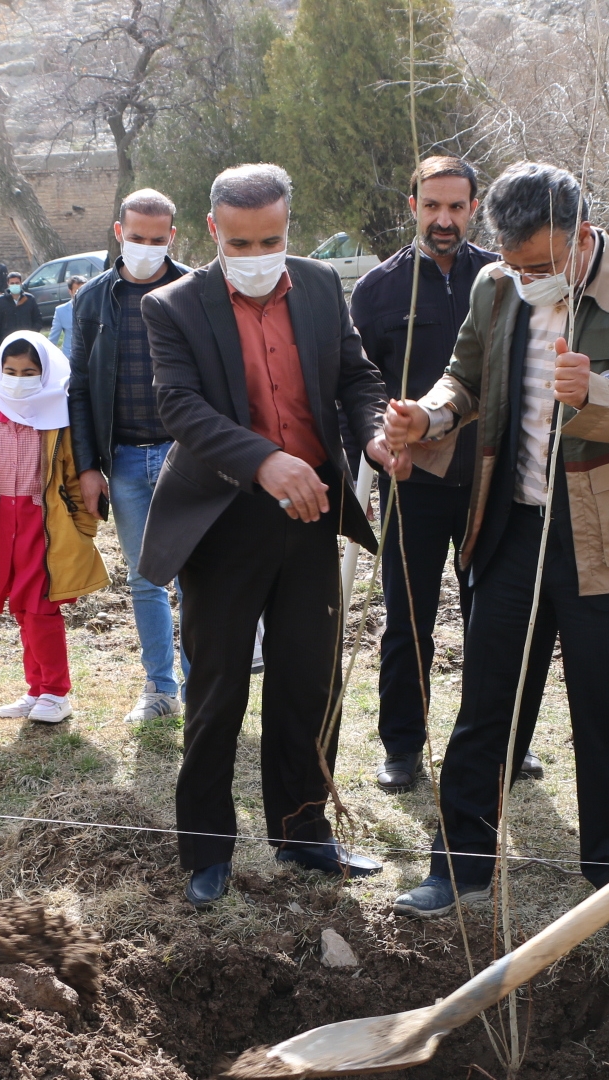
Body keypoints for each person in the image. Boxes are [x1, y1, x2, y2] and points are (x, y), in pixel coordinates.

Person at [382, 162, 609, 938]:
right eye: (514, 265)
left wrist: (597, 396)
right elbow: (463, 379)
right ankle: (458, 866)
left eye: (542, 267)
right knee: (486, 706)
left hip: (605, 541)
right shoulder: (494, 290)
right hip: (513, 528)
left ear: (584, 239)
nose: (526, 280)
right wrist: (428, 416)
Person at [137, 164, 392, 908]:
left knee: (308, 680)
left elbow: (355, 376)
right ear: (214, 231)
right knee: (216, 688)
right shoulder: (173, 307)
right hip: (222, 520)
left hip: (312, 509)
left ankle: (305, 832)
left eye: (272, 238)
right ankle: (208, 850)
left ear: (290, 228)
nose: (257, 254)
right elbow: (179, 408)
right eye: (241, 241)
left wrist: (376, 433)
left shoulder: (317, 286)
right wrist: (265, 461)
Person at [348, 155, 499, 794]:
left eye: (456, 207)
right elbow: (358, 388)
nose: (444, 220)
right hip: (411, 483)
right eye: (431, 206)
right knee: (409, 618)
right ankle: (403, 747)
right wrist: (381, 440)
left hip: (493, 483)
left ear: (473, 207)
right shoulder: (377, 290)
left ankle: (499, 746)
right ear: (412, 206)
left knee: (492, 620)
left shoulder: (502, 281)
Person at [68, 188, 194, 725]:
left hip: (184, 456)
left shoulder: (194, 290)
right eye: (136, 236)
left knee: (195, 576)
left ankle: (202, 685)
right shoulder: (93, 299)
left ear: (172, 236)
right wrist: (87, 465)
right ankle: (160, 688)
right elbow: (78, 387)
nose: (146, 246)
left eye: (157, 238)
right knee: (146, 579)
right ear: (119, 232)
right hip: (122, 460)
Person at [0, 332, 107, 725]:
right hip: (3, 521)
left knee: (40, 608)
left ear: (46, 374)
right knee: (21, 608)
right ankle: (36, 689)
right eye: (11, 371)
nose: (19, 379)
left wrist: (83, 529)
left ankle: (56, 691)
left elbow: (72, 475)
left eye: (29, 372)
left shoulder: (57, 416)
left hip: (44, 522)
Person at [0, 272, 40, 350]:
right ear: (8, 284)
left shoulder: (29, 299)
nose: (15, 285)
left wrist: (31, 334)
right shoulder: (0, 301)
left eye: (17, 283)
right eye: (12, 283)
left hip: (27, 342)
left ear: (21, 283)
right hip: (7, 343)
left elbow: (38, 320)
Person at [47, 275, 86, 351]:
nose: (81, 294)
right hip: (70, 357)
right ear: (70, 291)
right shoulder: (61, 311)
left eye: (83, 290)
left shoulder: (96, 308)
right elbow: (53, 340)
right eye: (77, 291)